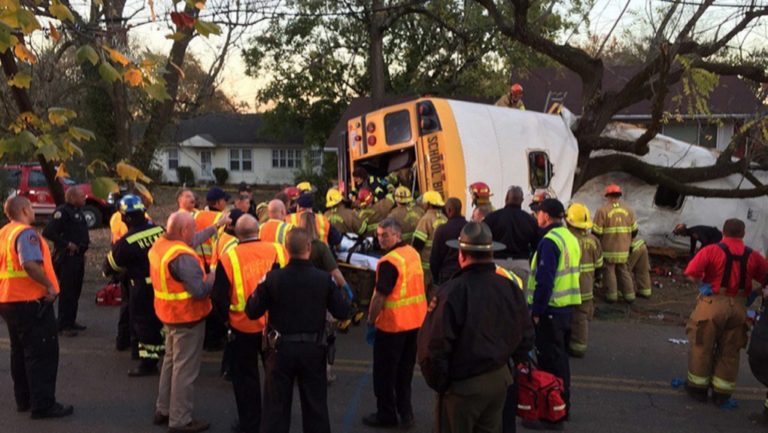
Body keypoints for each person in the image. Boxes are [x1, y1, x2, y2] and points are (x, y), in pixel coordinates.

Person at [418, 222, 534, 433]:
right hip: (499, 381)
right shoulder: (510, 286)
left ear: (461, 254)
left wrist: (442, 384)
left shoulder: (451, 292)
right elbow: (525, 334)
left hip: (463, 385)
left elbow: (432, 347)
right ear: (491, 253)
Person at [246, 228, 351, 433]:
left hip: (280, 350)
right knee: (316, 408)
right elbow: (343, 311)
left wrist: (260, 287)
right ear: (309, 248)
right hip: (313, 349)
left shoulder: (273, 278)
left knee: (275, 409)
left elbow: (252, 311)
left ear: (286, 249)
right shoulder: (323, 279)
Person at [212, 214, 286, 433]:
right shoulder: (278, 250)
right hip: (274, 326)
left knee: (246, 380)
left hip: (242, 328)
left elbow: (218, 297)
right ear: (258, 231)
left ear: (236, 233)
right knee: (275, 378)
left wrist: (225, 322)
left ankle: (250, 424)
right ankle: (274, 423)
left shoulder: (229, 258)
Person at [0, 196, 73, 419]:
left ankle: (24, 399)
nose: (33, 211)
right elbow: (29, 264)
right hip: (30, 301)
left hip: (8, 300)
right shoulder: (26, 234)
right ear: (24, 210)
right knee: (42, 353)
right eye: (31, 207)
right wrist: (50, 285)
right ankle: (43, 404)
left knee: (19, 351)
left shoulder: (4, 233)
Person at [683, 218, 768, 405]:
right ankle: (722, 394)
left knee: (701, 345)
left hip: (712, 303)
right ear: (743, 234)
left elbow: (691, 272)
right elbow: (766, 279)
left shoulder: (711, 250)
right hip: (739, 307)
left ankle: (698, 389)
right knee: (730, 350)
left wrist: (703, 284)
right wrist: (753, 293)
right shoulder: (753, 256)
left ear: (723, 232)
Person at [150, 212, 217, 433]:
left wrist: (215, 227)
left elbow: (192, 240)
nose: (195, 232)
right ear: (182, 231)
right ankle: (180, 420)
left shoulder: (162, 244)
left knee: (170, 363)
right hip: (187, 318)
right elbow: (198, 291)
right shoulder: (184, 257)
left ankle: (164, 409)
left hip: (168, 315)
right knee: (185, 371)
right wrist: (212, 276)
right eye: (193, 228)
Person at [363, 218, 427, 429]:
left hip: (392, 326)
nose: (380, 239)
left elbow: (380, 296)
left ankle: (386, 415)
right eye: (379, 235)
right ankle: (406, 413)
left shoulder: (390, 262)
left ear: (397, 235)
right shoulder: (412, 254)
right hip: (414, 323)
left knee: (384, 374)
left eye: (385, 235)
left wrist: (371, 320)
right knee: (405, 372)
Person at [527, 198, 581, 429]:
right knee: (561, 363)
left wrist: (536, 311)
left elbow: (545, 280)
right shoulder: (570, 238)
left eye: (538, 212)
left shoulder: (549, 241)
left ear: (546, 216)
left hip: (550, 311)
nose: (537, 216)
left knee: (549, 365)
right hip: (566, 309)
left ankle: (552, 416)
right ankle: (562, 408)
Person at [104, 195, 166, 376]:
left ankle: (148, 363)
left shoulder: (125, 243)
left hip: (141, 289)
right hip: (162, 286)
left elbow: (109, 268)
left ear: (126, 217)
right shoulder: (160, 231)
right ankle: (163, 352)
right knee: (159, 321)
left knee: (143, 325)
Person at [42, 186, 89, 336]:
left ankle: (71, 321)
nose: (85, 198)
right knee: (67, 291)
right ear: (73, 197)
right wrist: (66, 244)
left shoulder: (78, 212)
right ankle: (62, 325)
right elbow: (48, 232)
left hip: (78, 257)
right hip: (66, 257)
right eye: (82, 196)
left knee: (75, 290)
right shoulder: (62, 212)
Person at [565, 203, 603, 358]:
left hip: (568, 287)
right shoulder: (594, 241)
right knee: (581, 316)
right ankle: (577, 343)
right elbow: (599, 265)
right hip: (586, 287)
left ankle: (577, 347)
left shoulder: (567, 240)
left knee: (573, 316)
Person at [483, 186, 540, 289]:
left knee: (498, 298)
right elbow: (536, 246)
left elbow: (482, 239)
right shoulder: (530, 220)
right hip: (521, 264)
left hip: (497, 263)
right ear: (522, 200)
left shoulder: (492, 218)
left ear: (506, 198)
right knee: (521, 299)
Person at [592, 183, 638, 303]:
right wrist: (627, 241)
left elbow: (596, 232)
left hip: (609, 249)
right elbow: (635, 231)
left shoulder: (602, 211)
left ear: (608, 196)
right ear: (619, 195)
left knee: (609, 271)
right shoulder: (629, 210)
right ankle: (630, 296)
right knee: (624, 271)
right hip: (624, 249)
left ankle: (611, 297)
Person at [412, 191, 447, 294]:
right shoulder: (444, 218)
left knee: (422, 291)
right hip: (441, 263)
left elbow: (418, 243)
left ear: (428, 204)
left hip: (426, 264)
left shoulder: (426, 219)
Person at [429, 197, 467, 285]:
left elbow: (435, 258)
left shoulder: (442, 230)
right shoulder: (469, 227)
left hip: (447, 276)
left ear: (449, 210)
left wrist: (436, 277)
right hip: (466, 274)